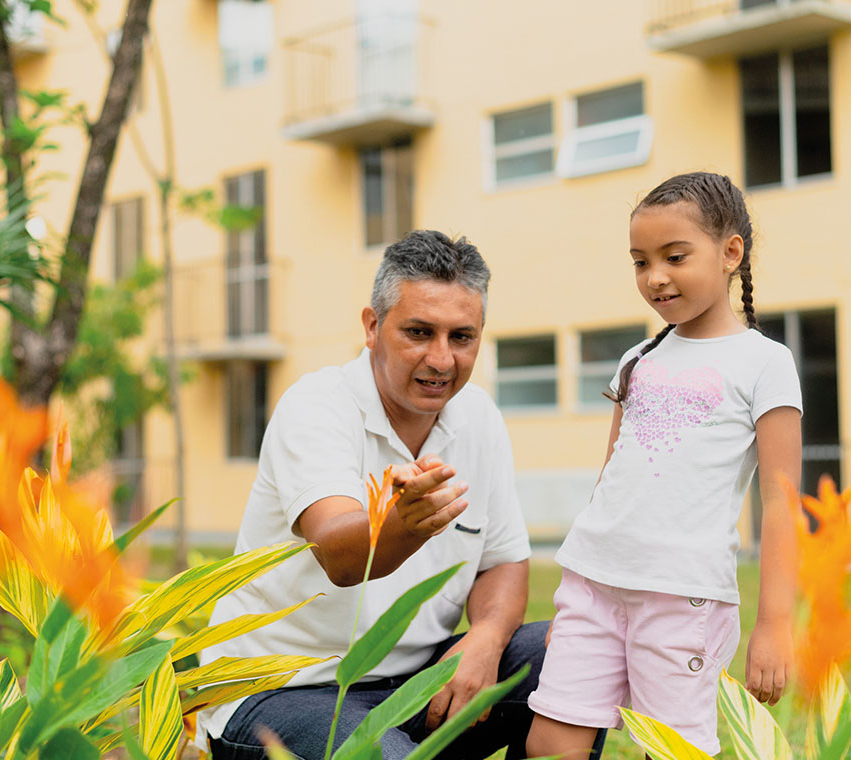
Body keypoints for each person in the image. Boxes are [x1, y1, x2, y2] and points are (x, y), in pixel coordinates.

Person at [200, 230, 588, 760]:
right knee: (381, 752)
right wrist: (404, 524)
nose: (442, 359)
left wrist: (487, 639)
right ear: (372, 326)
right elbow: (337, 552)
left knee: (571, 658)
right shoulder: (316, 407)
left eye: (462, 337)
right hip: (285, 694)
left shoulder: (479, 418)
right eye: (419, 332)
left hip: (416, 686)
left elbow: (502, 562)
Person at [525, 172, 803, 758]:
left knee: (672, 750)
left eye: (675, 257)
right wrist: (575, 595)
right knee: (550, 741)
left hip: (683, 596)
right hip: (593, 585)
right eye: (639, 261)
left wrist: (774, 625)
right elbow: (610, 478)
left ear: (731, 253)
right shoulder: (637, 358)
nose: (655, 277)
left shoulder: (764, 362)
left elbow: (781, 502)